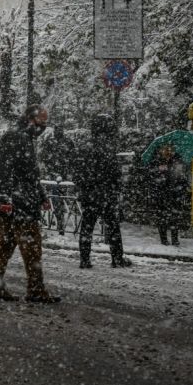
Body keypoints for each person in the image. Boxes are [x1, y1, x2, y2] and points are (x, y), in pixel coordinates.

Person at [0, 104, 60, 303]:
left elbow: (29, 174)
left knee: (5, 246)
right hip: (21, 204)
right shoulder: (17, 138)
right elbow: (6, 171)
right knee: (32, 248)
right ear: (30, 119)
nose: (43, 126)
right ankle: (35, 289)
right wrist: (4, 199)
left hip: (18, 201)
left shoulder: (23, 137)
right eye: (41, 122)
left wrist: (42, 196)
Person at [75, 112, 130, 268]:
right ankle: (117, 258)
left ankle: (84, 260)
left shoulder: (85, 148)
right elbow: (115, 174)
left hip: (90, 196)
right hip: (106, 195)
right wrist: (115, 189)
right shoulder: (108, 148)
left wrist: (85, 189)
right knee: (113, 228)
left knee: (87, 228)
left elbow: (78, 174)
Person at [149, 144, 187, 246]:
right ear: (161, 150)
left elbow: (182, 176)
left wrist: (180, 187)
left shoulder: (177, 159)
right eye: (165, 148)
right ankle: (164, 239)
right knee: (161, 217)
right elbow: (151, 176)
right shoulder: (156, 160)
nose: (167, 151)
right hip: (161, 194)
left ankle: (175, 239)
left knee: (174, 217)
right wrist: (160, 174)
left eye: (170, 148)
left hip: (174, 193)